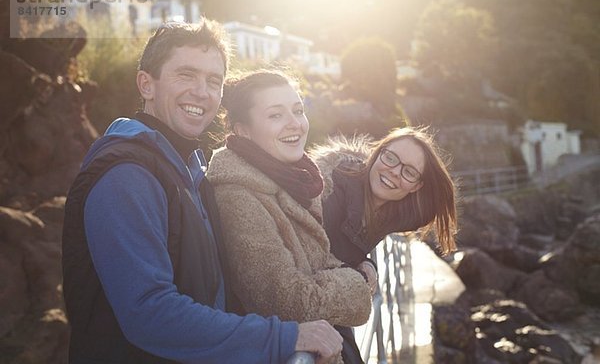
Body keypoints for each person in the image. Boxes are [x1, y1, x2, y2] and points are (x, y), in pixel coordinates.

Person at [61, 20, 343, 364]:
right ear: (146, 84)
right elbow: (150, 314)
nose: (202, 91)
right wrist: (284, 337)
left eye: (214, 81)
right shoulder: (127, 175)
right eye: (186, 75)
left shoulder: (190, 170)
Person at [206, 70, 373, 364]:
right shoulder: (237, 195)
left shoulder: (292, 179)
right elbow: (285, 300)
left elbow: (316, 262)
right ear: (242, 130)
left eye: (298, 110)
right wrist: (358, 281)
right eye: (275, 115)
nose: (295, 123)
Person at [310, 127, 458, 269]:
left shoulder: (391, 215)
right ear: (378, 153)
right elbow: (315, 264)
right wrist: (362, 275)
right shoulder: (330, 194)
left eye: (409, 172)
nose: (395, 172)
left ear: (416, 187)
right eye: (391, 158)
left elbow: (428, 208)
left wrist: (365, 262)